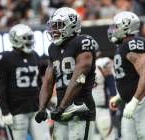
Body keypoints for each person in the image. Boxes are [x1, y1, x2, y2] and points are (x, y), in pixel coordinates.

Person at [35, 7, 98, 140]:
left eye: (58, 26)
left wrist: (62, 107)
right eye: (52, 26)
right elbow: (47, 81)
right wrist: (41, 108)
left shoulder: (83, 42)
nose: (54, 30)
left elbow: (78, 78)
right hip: (61, 111)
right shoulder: (53, 48)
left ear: (72, 24)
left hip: (80, 108)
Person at [108, 11, 145, 140]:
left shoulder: (133, 44)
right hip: (132, 102)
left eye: (116, 27)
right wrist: (120, 96)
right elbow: (131, 78)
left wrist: (134, 101)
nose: (113, 30)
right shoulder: (123, 46)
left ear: (126, 27)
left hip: (144, 101)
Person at [0, 24, 49, 140]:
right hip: (16, 110)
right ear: (15, 39)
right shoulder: (5, 58)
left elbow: (39, 84)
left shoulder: (34, 55)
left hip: (35, 108)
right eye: (26, 38)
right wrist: (5, 111)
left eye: (30, 37)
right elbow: (0, 87)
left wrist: (44, 105)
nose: (30, 41)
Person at [92, 57, 117, 140]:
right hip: (89, 110)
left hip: (102, 109)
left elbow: (111, 85)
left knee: (108, 136)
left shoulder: (102, 63)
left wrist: (113, 105)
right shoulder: (80, 66)